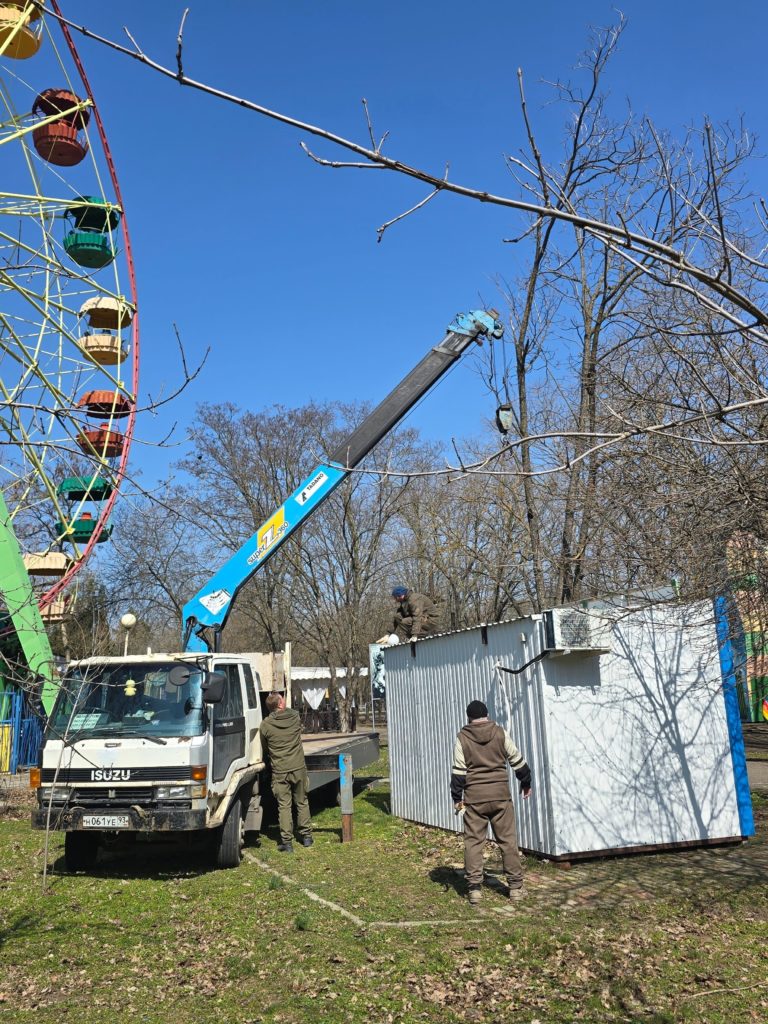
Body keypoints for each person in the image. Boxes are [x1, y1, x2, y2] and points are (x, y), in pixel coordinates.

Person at [450, 699, 532, 906]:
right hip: (500, 797)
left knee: (473, 843)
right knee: (507, 841)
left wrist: (457, 798)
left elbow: (459, 771)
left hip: (474, 799)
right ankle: (515, 888)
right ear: (486, 715)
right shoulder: (500, 732)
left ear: (469, 718)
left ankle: (474, 890)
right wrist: (526, 782)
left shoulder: (462, 738)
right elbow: (517, 760)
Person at [259, 691, 313, 853]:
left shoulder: (265, 725)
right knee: (302, 801)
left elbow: (265, 747)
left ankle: (287, 842)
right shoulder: (294, 717)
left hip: (280, 770)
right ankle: (307, 837)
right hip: (298, 767)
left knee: (284, 806)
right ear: (281, 704)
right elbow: (289, 711)